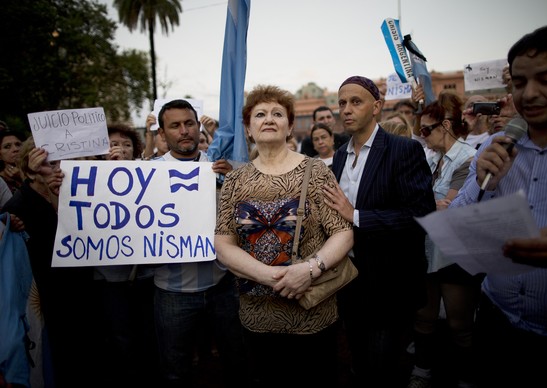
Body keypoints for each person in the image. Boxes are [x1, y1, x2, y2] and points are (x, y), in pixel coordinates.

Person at [449, 24, 547, 387]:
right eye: (519, 83)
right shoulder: (497, 145)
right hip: (496, 323)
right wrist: (481, 184)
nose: (530, 93)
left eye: (546, 79)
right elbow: (457, 225)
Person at [214, 84, 353, 387]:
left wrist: (308, 269)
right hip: (257, 317)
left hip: (312, 314)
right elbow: (223, 244)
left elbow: (342, 232)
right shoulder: (236, 180)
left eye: (278, 113)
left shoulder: (315, 171)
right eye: (260, 114)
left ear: (290, 126)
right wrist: (271, 277)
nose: (269, 119)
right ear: (249, 128)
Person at [324, 76, 435, 386]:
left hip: (388, 280)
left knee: (382, 367)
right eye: (342, 103)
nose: (346, 109)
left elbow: (420, 214)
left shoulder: (403, 150)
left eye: (355, 102)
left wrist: (355, 215)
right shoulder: (339, 156)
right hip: (347, 278)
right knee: (358, 361)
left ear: (377, 107)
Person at [152, 99, 249, 388]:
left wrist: (235, 180)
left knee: (237, 362)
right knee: (175, 369)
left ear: (198, 126)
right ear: (162, 133)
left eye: (189, 123)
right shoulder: (147, 173)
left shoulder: (220, 167)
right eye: (175, 125)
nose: (184, 131)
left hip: (222, 284)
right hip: (172, 291)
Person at [2, 137, 99, 388]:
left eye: (61, 161)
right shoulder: (18, 207)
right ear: (29, 168)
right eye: (48, 163)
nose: (57, 168)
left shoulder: (76, 194)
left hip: (81, 291)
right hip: (46, 302)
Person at [407, 92, 481, 388]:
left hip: (454, 252)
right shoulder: (432, 156)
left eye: (427, 129)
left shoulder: (468, 158)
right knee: (423, 317)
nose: (422, 135)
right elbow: (428, 201)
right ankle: (422, 370)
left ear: (446, 125)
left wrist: (419, 203)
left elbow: (449, 207)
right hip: (427, 250)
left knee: (459, 324)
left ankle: (466, 377)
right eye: (421, 130)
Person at [94, 123, 160, 388]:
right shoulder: (88, 179)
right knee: (121, 337)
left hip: (144, 275)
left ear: (135, 150)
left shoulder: (149, 176)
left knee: (149, 333)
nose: (119, 149)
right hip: (109, 279)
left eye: (125, 144)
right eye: (112, 144)